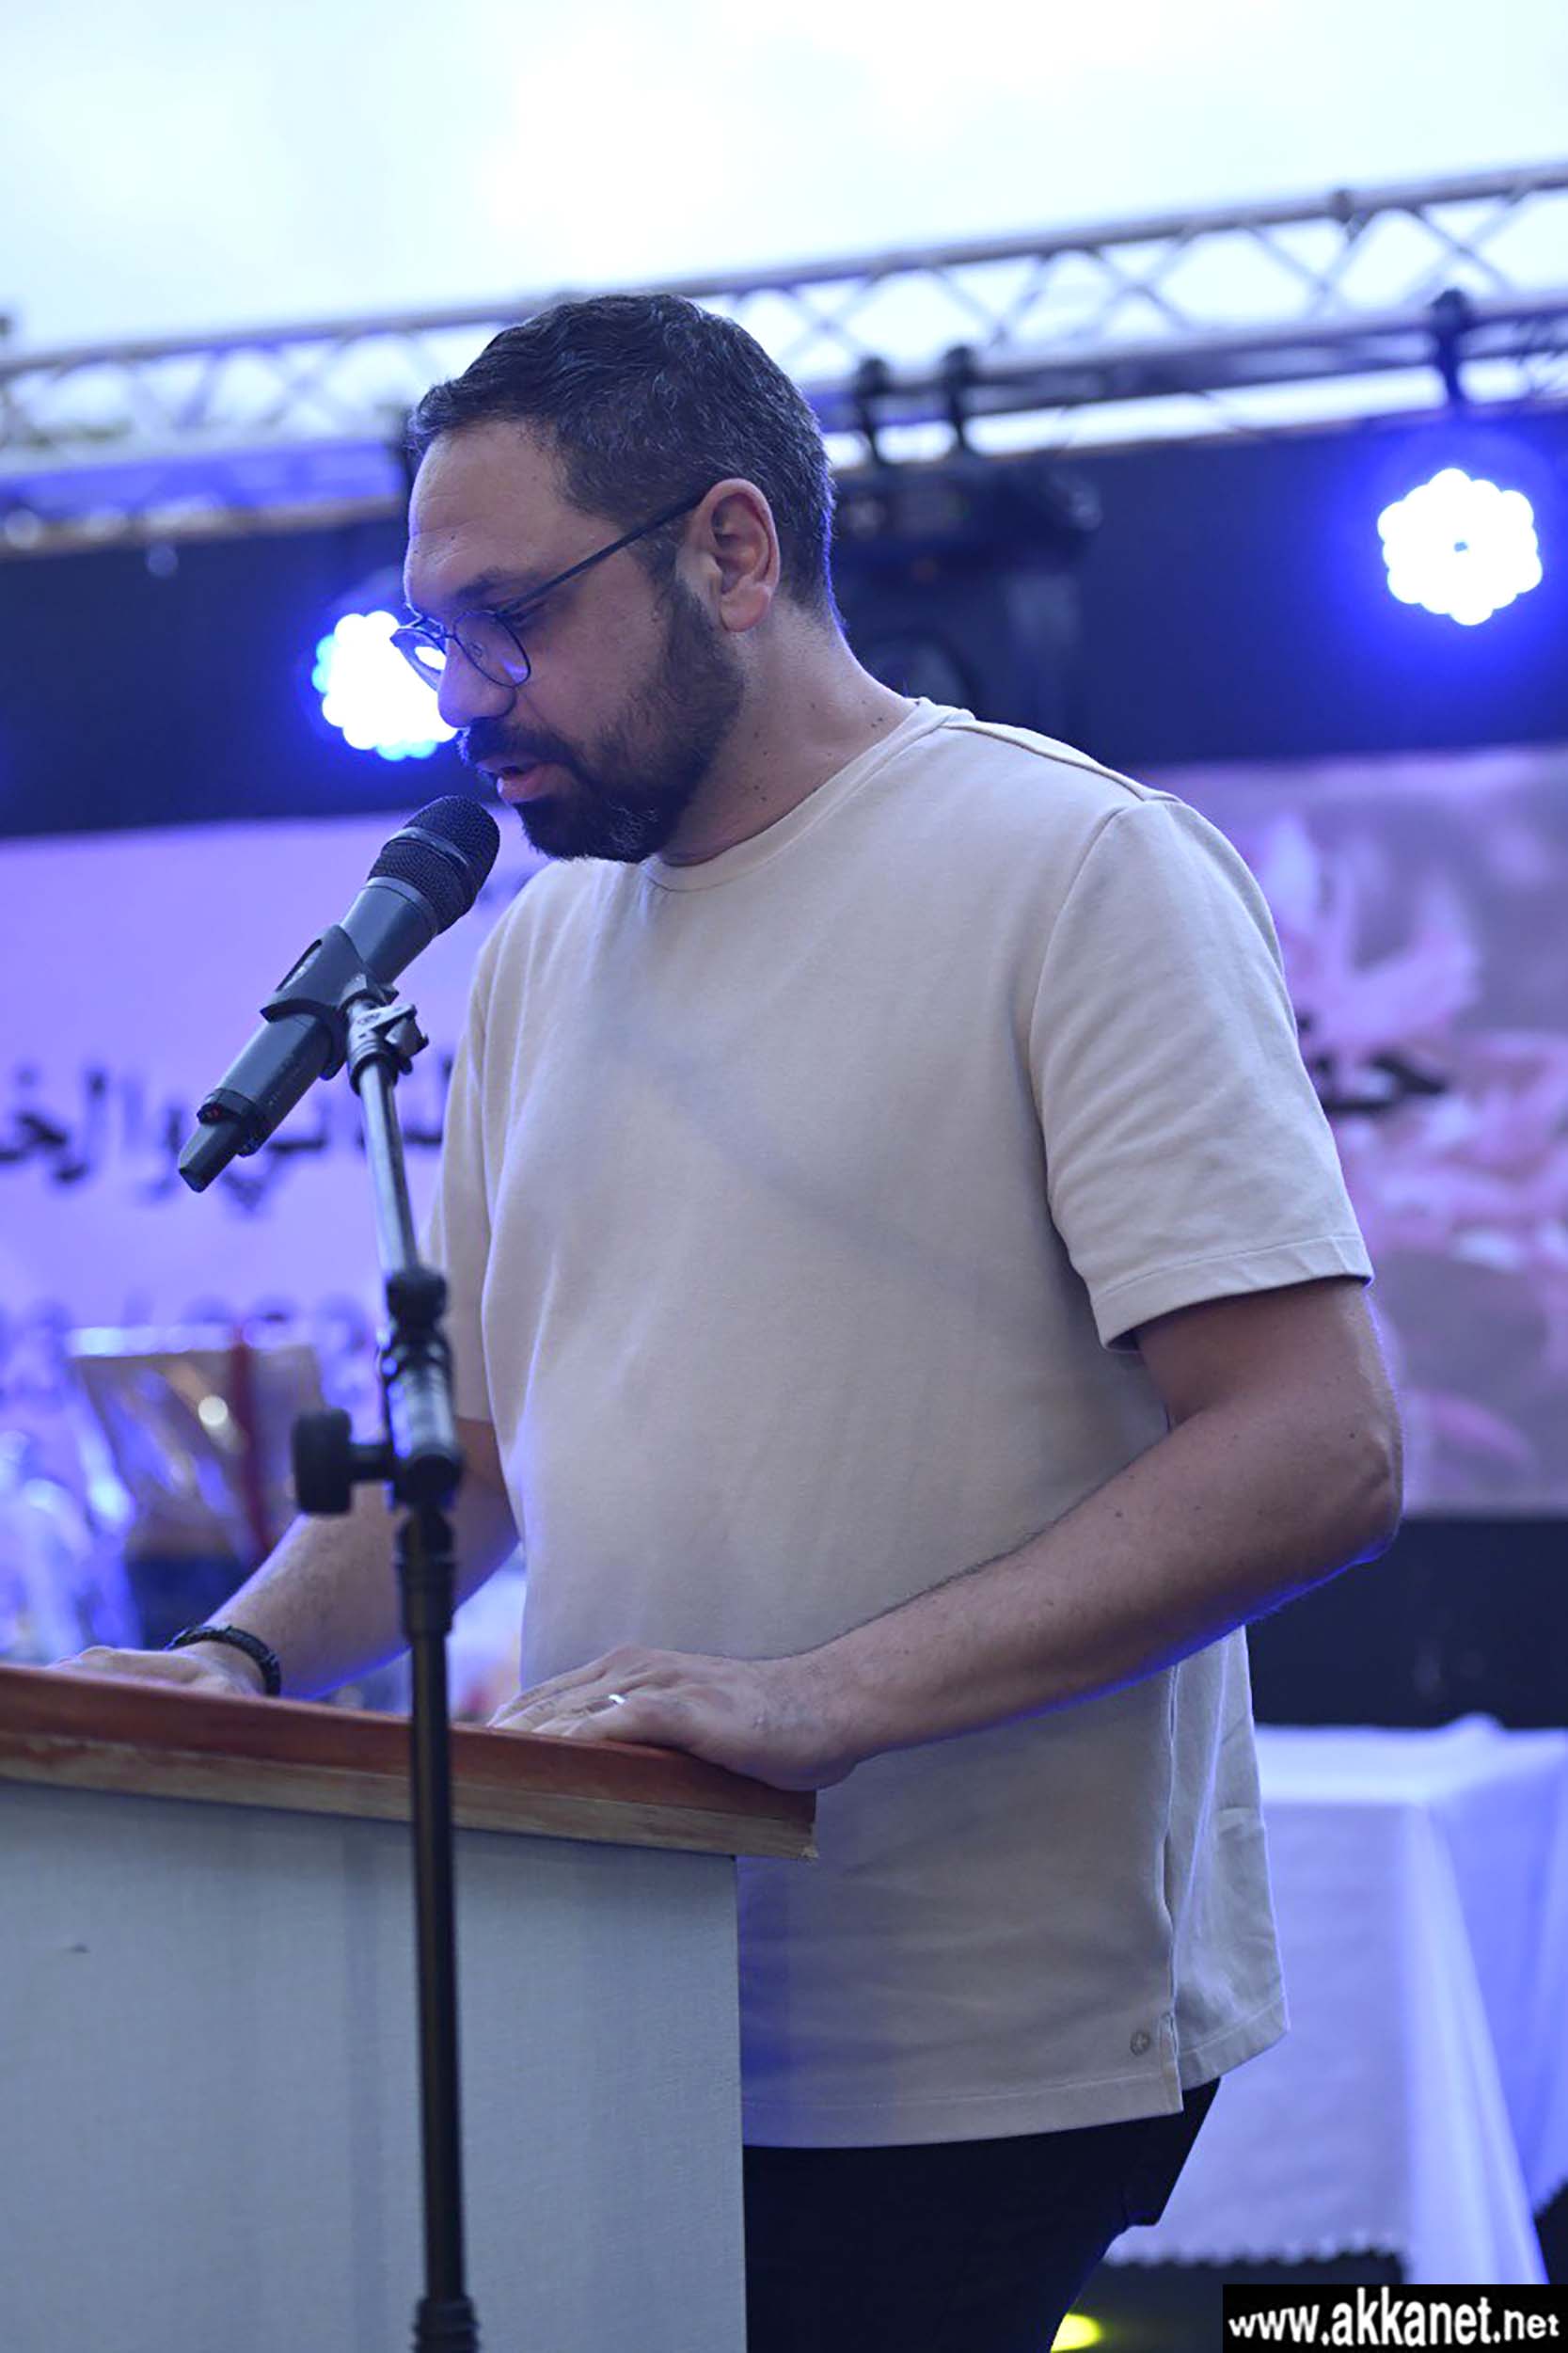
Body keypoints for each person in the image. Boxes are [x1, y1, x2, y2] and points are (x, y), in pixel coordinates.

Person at [58, 293, 1403, 2352]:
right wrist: (229, 1662)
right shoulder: (533, 948)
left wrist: (819, 1698)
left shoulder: (1076, 868)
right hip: (606, 1971)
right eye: (432, 640)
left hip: (975, 2044)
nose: (464, 699)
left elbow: (1319, 1450)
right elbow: (471, 1455)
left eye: (511, 620)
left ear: (734, 551)